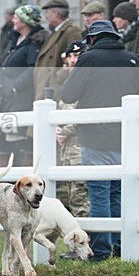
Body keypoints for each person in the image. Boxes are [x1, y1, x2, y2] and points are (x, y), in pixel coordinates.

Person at [60, 20, 139, 261]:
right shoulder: (132, 59)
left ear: (92, 39)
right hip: (126, 137)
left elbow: (68, 94)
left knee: (99, 193)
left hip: (95, 136)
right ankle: (119, 244)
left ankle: (100, 249)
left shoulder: (88, 59)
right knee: (117, 193)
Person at [0, 4, 48, 166]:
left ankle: (22, 175)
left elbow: (32, 68)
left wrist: (16, 86)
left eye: (16, 18)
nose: (13, 20)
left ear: (25, 21)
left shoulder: (34, 43)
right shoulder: (14, 39)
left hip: (20, 98)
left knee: (17, 139)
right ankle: (5, 176)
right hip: (5, 96)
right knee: (2, 139)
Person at [56, 41, 90, 221]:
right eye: (70, 56)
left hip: (82, 149)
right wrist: (57, 129)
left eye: (77, 55)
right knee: (74, 197)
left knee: (82, 198)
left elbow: (89, 113)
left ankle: (89, 235)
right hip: (68, 152)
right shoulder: (69, 83)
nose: (73, 60)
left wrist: (65, 131)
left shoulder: (89, 81)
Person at [35, 0, 84, 102]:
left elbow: (76, 57)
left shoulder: (72, 32)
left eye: (47, 12)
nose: (46, 16)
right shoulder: (56, 31)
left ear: (56, 13)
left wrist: (58, 77)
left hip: (56, 90)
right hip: (47, 88)